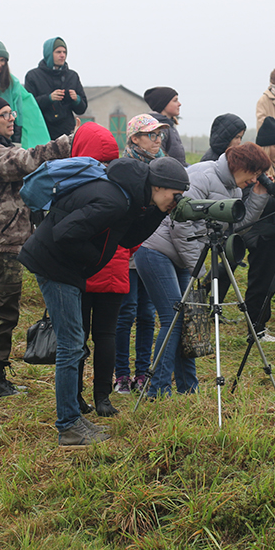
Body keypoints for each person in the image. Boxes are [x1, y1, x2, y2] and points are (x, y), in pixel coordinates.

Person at [20, 156, 190, 447]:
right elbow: (64, 234)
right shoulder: (114, 199)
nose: (177, 201)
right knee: (71, 345)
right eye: (175, 196)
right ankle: (69, 426)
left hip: (65, 268)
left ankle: (73, 419)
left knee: (72, 344)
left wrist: (161, 213)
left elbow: (127, 238)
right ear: (160, 186)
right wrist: (96, 260)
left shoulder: (129, 197)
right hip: (55, 267)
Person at [0, 94, 72, 397]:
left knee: (2, 307)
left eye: (12, 112)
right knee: (2, 309)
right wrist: (67, 143)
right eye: (4, 114)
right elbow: (25, 161)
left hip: (10, 240)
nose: (12, 118)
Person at [138, 144, 271, 398]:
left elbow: (237, 225)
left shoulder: (234, 187)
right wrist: (198, 270)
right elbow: (180, 224)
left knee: (187, 318)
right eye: (253, 173)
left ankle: (188, 388)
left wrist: (260, 195)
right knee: (173, 318)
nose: (254, 179)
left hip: (183, 257)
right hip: (156, 251)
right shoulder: (201, 175)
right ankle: (156, 391)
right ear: (240, 166)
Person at [72, 121, 130, 418]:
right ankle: (103, 398)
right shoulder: (121, 182)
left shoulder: (75, 182)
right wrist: (121, 253)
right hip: (115, 268)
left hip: (81, 271)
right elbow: (132, 233)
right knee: (106, 335)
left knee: (76, 338)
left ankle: (76, 397)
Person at [114, 114, 168, 395]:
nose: (157, 140)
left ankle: (142, 372)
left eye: (160, 135)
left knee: (147, 314)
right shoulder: (125, 168)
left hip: (155, 247)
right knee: (126, 312)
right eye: (151, 135)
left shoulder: (164, 167)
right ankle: (121, 374)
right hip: (128, 251)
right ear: (134, 138)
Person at [242, 117, 275, 343]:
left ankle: (260, 326)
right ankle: (256, 329)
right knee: (260, 281)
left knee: (270, 281)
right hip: (261, 234)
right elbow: (251, 203)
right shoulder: (254, 171)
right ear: (266, 146)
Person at [0, 41, 50, 149]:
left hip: (5, 130)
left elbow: (19, 110)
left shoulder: (12, 82)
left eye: (2, 60)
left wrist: (17, 138)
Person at [24, 37, 88, 139]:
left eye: (64, 52)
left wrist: (77, 99)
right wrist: (49, 98)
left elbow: (82, 109)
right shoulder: (33, 76)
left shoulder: (72, 76)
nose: (62, 55)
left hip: (66, 133)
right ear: (49, 53)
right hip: (43, 132)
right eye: (58, 52)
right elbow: (28, 107)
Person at [143, 86, 186, 165]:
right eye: (175, 100)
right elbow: (159, 162)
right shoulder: (159, 128)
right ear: (163, 104)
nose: (179, 104)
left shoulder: (170, 126)